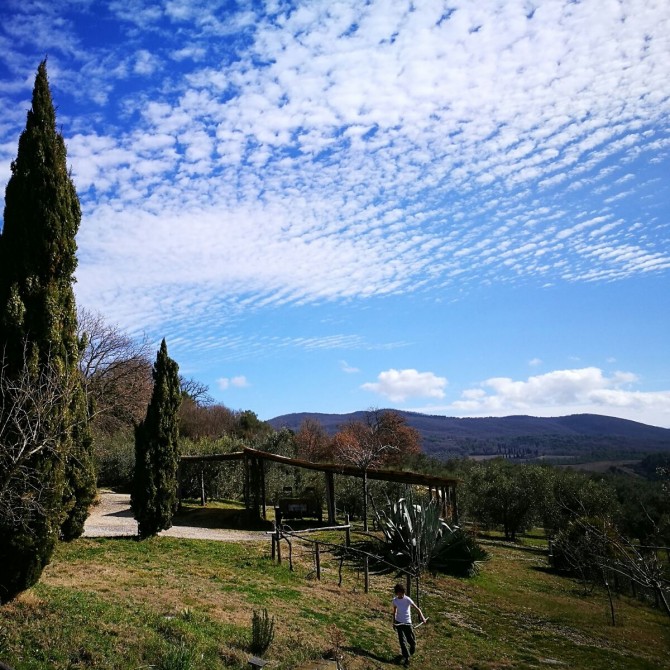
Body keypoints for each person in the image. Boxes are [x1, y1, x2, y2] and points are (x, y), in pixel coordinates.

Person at [392, 583, 426, 666]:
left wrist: (422, 617)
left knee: (412, 642)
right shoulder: (395, 600)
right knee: (402, 641)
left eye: (402, 592)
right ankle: (407, 658)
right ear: (397, 593)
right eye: (399, 592)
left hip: (408, 623)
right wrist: (394, 622)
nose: (401, 594)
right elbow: (394, 611)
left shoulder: (407, 599)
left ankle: (409, 653)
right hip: (399, 623)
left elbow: (417, 609)